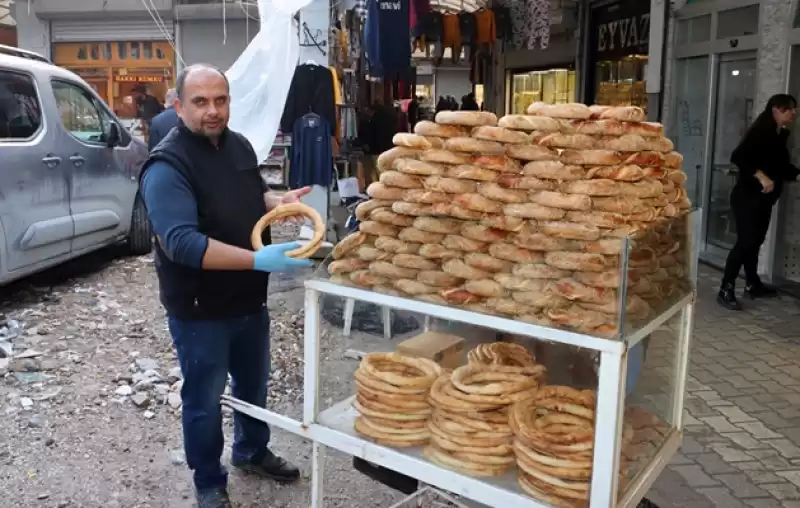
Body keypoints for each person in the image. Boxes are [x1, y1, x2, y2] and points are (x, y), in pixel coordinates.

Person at [139, 64, 312, 508]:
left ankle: (251, 451)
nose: (213, 111)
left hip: (247, 300)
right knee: (204, 397)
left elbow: (247, 196)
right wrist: (257, 259)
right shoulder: (167, 164)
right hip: (200, 308)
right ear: (178, 106)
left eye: (221, 100)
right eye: (200, 102)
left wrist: (277, 203)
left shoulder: (238, 146)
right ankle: (209, 479)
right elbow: (181, 243)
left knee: (253, 387)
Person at [718, 93, 800, 310]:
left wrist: (797, 175)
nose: (793, 113)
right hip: (747, 197)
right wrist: (761, 175)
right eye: (789, 109)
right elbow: (739, 157)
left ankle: (752, 284)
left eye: (794, 109)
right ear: (775, 109)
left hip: (764, 200)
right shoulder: (761, 132)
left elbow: (781, 167)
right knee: (745, 242)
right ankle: (726, 288)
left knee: (755, 241)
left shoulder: (780, 135)